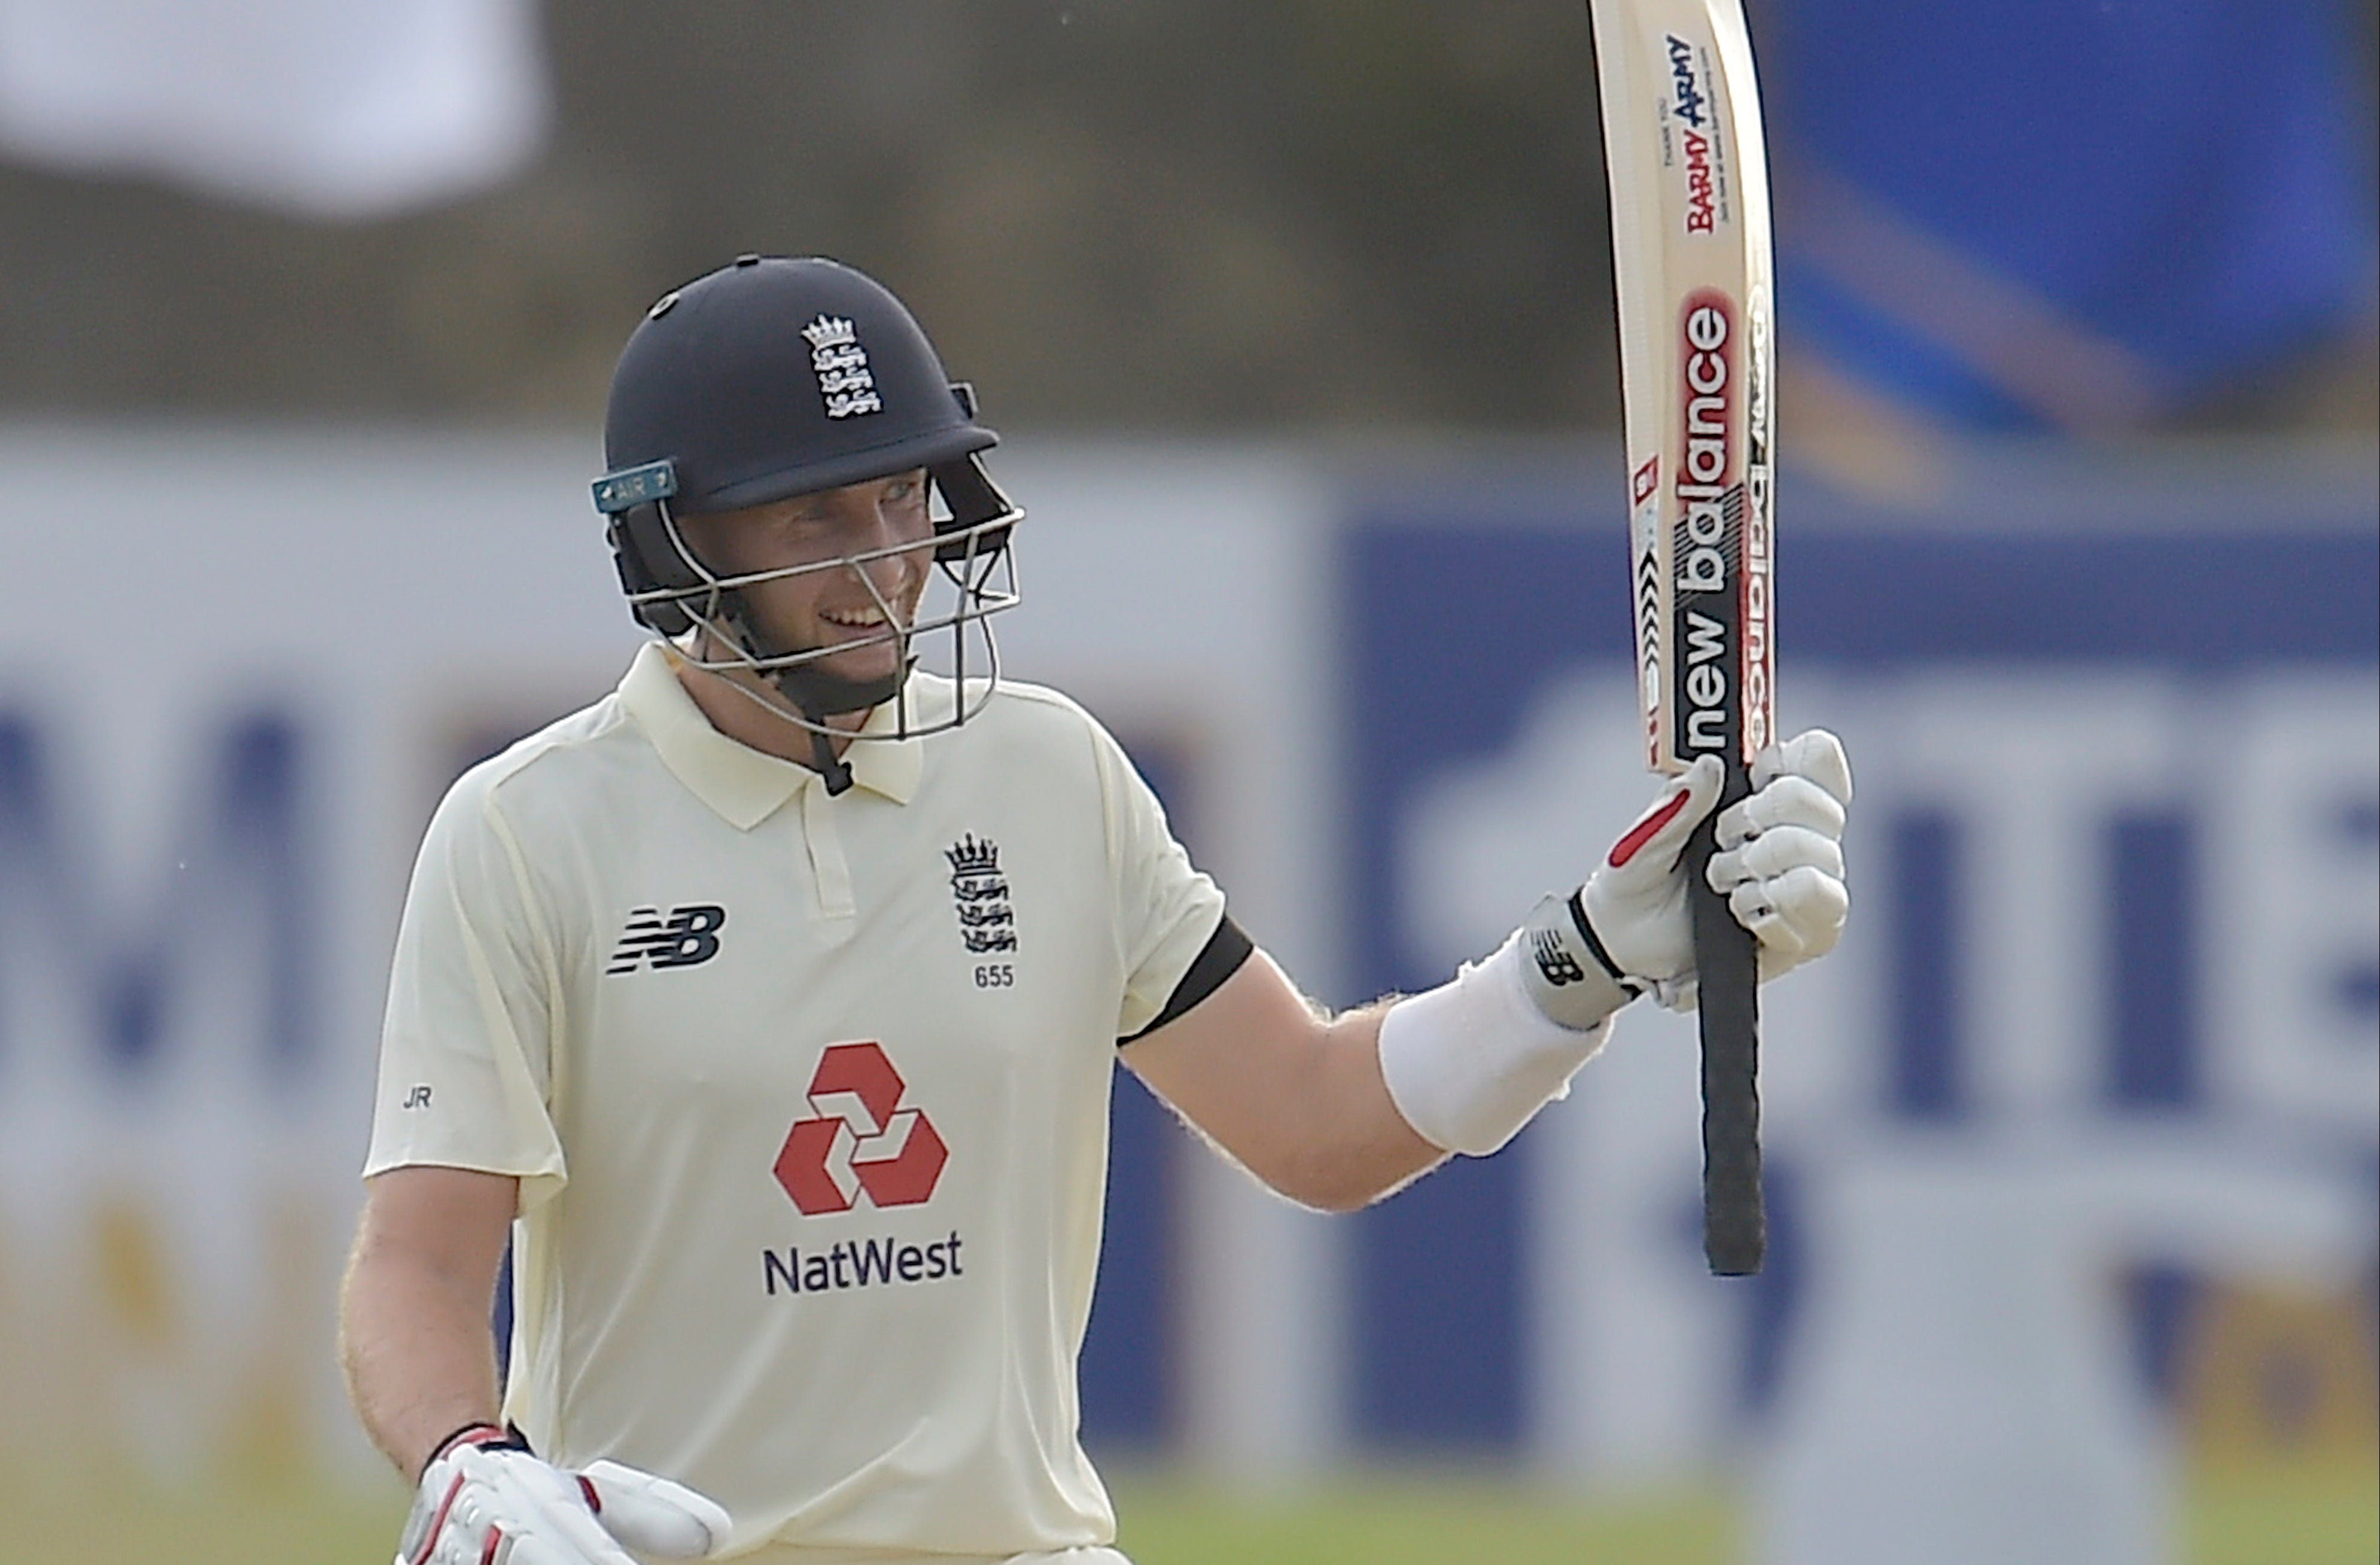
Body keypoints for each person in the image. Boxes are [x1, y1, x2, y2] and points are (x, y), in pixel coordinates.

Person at [339, 254, 1853, 1565]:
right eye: (811, 525)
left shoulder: (1047, 773)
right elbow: (415, 1262)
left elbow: (1315, 1118)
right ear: (678, 548)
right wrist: (470, 1462)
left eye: (902, 498)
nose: (885, 567)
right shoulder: (526, 834)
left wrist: (1578, 960)